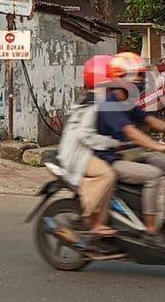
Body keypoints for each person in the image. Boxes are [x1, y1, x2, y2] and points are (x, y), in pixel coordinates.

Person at [96, 52, 165, 236]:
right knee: (153, 175)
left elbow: (150, 120)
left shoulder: (126, 101)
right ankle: (151, 229)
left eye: (141, 76)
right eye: (135, 76)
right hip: (110, 159)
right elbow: (132, 133)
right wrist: (162, 147)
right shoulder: (110, 104)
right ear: (120, 78)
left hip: (129, 154)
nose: (139, 81)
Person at [52, 55, 122, 237]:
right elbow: (85, 134)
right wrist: (110, 143)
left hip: (81, 151)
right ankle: (88, 218)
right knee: (107, 174)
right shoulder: (93, 103)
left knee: (113, 179)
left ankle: (101, 220)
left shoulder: (93, 98)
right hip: (77, 155)